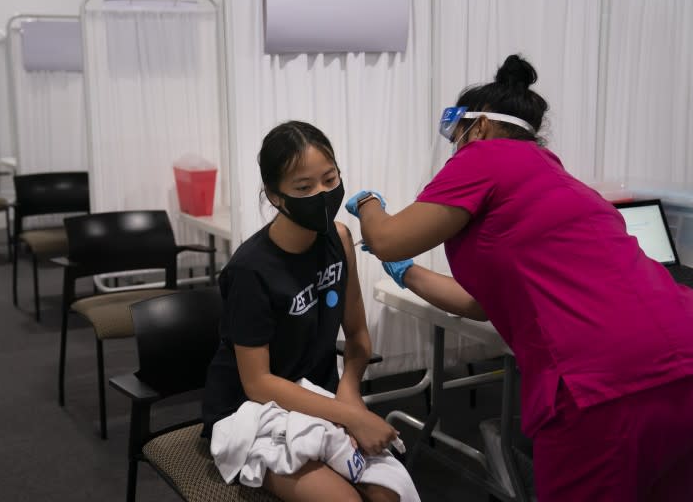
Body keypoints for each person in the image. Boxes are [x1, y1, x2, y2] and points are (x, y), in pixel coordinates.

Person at [346, 54, 693, 501]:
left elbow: (390, 238)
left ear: (481, 126)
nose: (454, 148)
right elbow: (484, 304)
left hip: (603, 385)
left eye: (457, 135)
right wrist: (408, 274)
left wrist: (369, 204)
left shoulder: (485, 156)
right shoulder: (556, 175)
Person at [201, 121, 418, 502]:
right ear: (274, 196)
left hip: (321, 396)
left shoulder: (341, 238)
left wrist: (348, 396)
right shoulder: (250, 270)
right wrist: (348, 415)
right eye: (304, 188)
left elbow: (357, 339)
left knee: (389, 497)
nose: (322, 194)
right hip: (252, 411)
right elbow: (258, 384)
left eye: (330, 180)